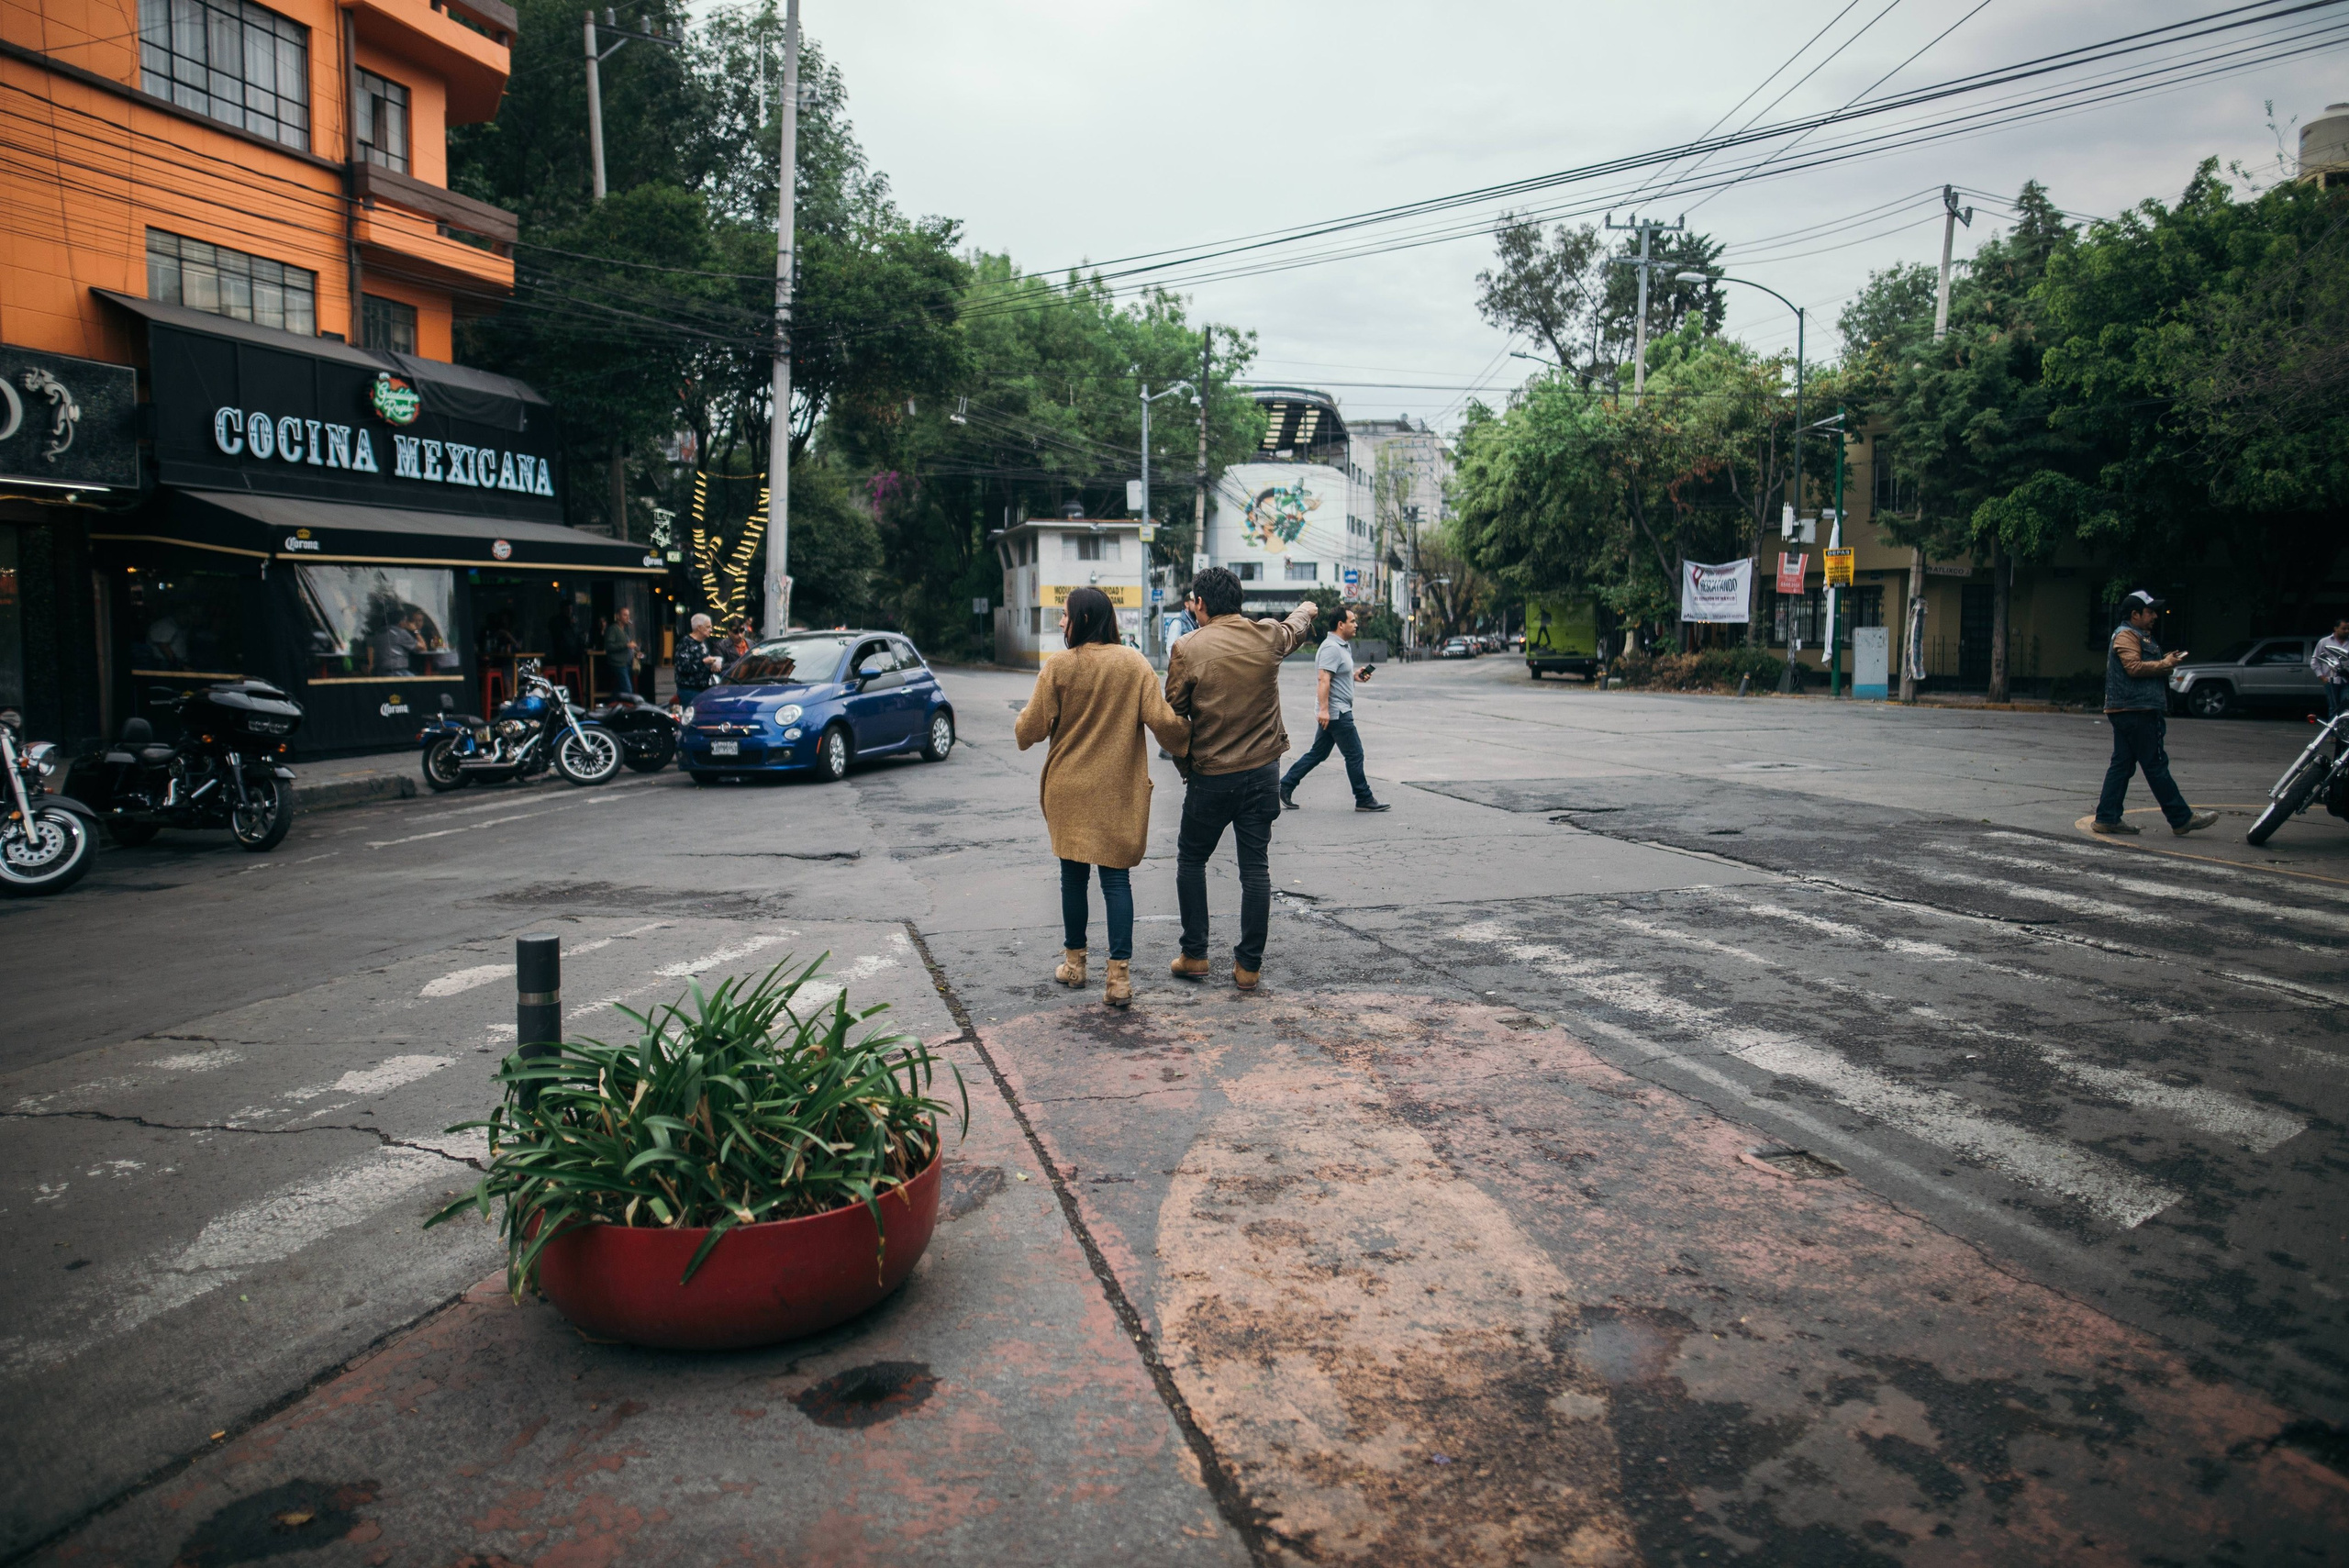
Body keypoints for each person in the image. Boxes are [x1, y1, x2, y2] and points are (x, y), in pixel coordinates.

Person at [1014, 587, 1190, 1009]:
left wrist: (1028, 718)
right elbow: (1165, 725)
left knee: (1072, 878)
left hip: (1068, 790)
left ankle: (1074, 967)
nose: (1061, 622)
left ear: (1083, 619)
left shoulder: (1058, 667)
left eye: (1065, 616)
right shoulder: (1134, 664)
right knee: (1116, 881)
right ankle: (1119, 981)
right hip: (1117, 791)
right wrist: (1192, 735)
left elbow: (1028, 733)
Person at [1163, 567, 1318, 991]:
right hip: (1263, 773)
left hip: (1211, 775)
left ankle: (1195, 955)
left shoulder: (1187, 648)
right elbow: (1295, 628)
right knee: (1256, 870)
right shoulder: (1265, 636)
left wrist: (1185, 765)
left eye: (1194, 602)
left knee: (1192, 860)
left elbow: (1172, 717)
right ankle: (1248, 967)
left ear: (1202, 604)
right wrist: (1308, 607)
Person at [2095, 590, 2217, 837]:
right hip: (2136, 711)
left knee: (2122, 764)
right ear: (2135, 614)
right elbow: (2134, 667)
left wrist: (2164, 662)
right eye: (2150, 612)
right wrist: (2166, 664)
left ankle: (2107, 818)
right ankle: (2181, 818)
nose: (2155, 616)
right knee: (2155, 764)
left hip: (2130, 709)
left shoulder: (2139, 635)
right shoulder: (2126, 635)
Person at [1279, 602, 1388, 812]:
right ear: (1340, 624)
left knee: (1318, 753)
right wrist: (1324, 710)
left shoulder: (1341, 647)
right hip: (1337, 713)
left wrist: (1355, 676)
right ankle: (1363, 797)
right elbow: (1323, 679)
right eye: (1352, 621)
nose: (1356, 625)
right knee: (1355, 754)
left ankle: (1286, 784)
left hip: (1334, 711)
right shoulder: (1331, 648)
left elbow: (1335, 676)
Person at [674, 613, 724, 709]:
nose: (711, 630)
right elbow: (682, 667)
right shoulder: (685, 643)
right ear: (700, 628)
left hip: (704, 688)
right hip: (690, 690)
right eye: (708, 627)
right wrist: (703, 662)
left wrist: (713, 665)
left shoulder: (704, 643)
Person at [2311, 615, 2349, 721]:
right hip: (2331, 680)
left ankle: (2343, 733)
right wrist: (2322, 677)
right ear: (2336, 628)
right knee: (2334, 707)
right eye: (2344, 629)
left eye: (2348, 629)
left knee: (2345, 706)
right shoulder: (2324, 642)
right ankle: (2333, 734)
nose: (2346, 631)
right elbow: (2314, 661)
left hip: (2347, 680)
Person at [603, 606, 639, 698]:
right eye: (625, 615)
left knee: (619, 690)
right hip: (618, 664)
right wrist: (626, 645)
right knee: (627, 689)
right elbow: (609, 646)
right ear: (618, 616)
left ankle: (611, 707)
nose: (627, 618)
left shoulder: (624, 631)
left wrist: (634, 653)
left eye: (628, 615)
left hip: (626, 664)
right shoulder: (613, 629)